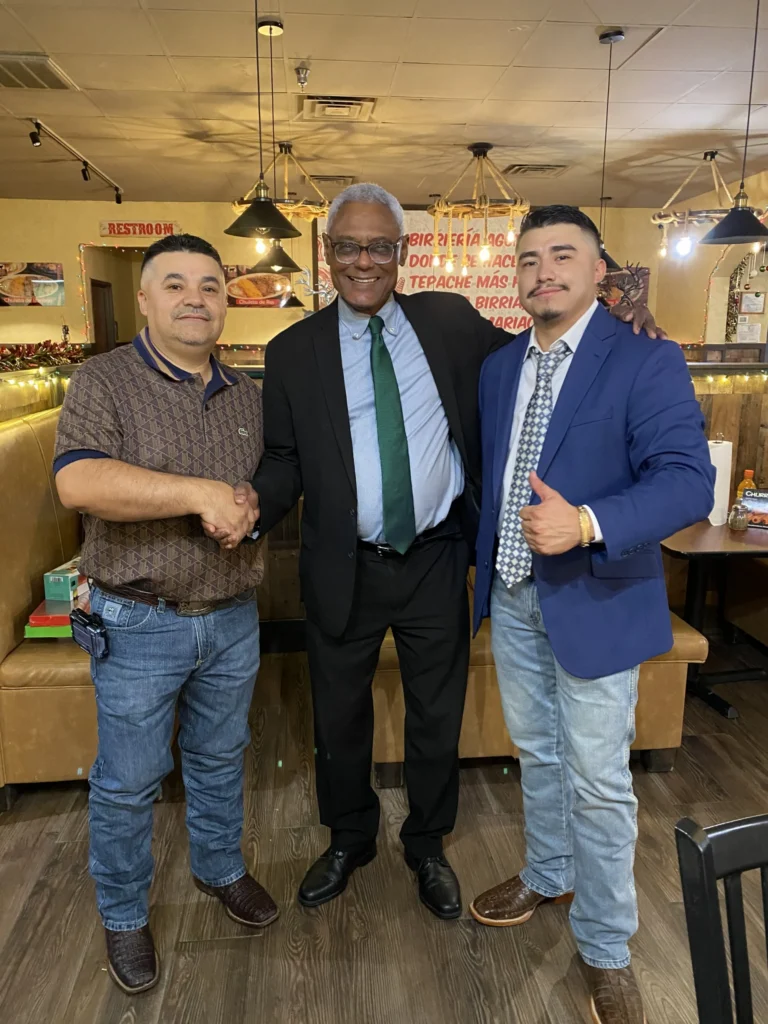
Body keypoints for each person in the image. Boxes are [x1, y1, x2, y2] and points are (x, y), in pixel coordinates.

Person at [235, 184, 660, 921]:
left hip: (437, 559)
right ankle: (349, 838)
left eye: (379, 247)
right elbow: (282, 462)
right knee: (338, 718)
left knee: (438, 716)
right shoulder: (290, 352)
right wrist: (248, 506)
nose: (363, 262)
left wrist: (620, 326)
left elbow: (543, 363)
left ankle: (427, 843)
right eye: (347, 246)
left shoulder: (450, 322)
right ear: (326, 254)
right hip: (343, 566)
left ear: (402, 253)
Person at [469, 206, 715, 1024]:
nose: (544, 269)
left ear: (598, 270)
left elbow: (686, 482)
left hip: (597, 598)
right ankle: (547, 871)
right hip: (511, 595)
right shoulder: (500, 367)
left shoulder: (645, 361)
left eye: (563, 254)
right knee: (536, 754)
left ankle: (607, 947)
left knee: (602, 784)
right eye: (530, 257)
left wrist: (587, 522)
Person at [53, 233, 278, 996]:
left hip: (233, 616)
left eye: (210, 286)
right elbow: (79, 482)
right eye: (175, 284)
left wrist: (246, 503)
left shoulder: (249, 394)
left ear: (226, 301)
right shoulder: (103, 380)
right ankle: (123, 912)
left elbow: (258, 489)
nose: (195, 298)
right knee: (129, 780)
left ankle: (219, 870)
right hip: (137, 618)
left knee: (221, 758)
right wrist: (198, 492)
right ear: (144, 300)